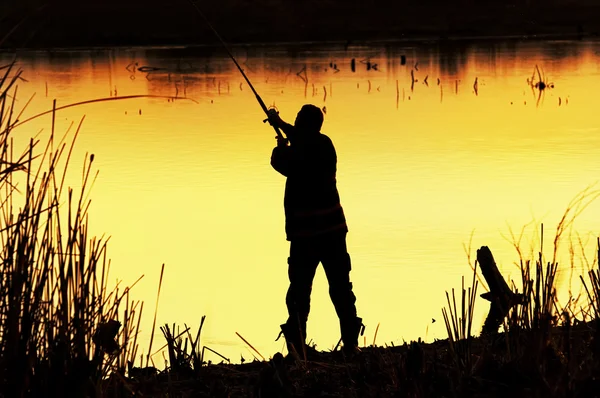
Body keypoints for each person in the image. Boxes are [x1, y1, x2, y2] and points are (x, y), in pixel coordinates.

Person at [267, 104, 364, 359]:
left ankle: (297, 348)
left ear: (306, 124)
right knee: (341, 288)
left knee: (299, 292)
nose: (295, 123)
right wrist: (280, 123)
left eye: (298, 119)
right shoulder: (324, 144)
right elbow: (300, 137)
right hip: (333, 233)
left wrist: (280, 144)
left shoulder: (300, 151)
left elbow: (279, 162)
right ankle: (351, 344)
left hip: (305, 237)